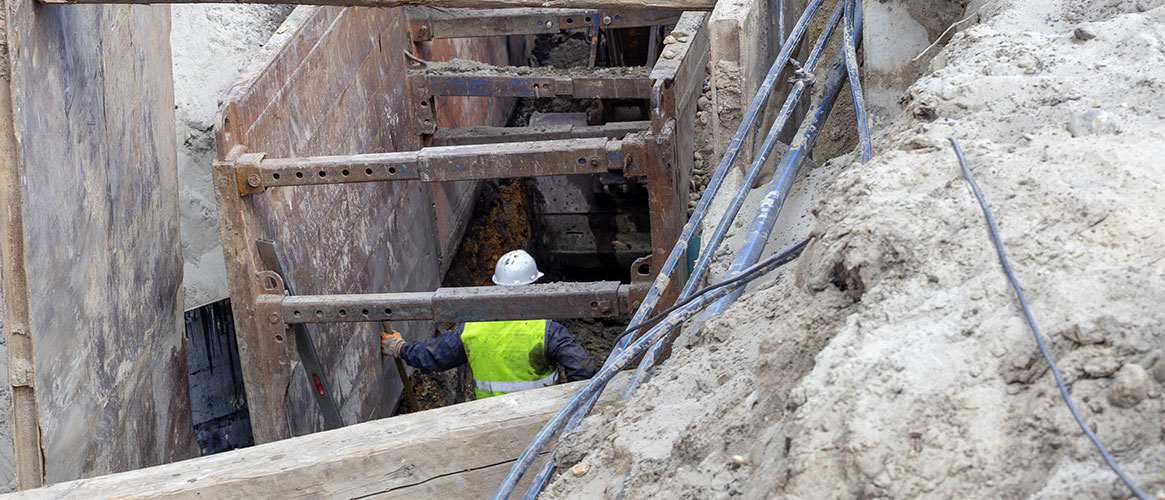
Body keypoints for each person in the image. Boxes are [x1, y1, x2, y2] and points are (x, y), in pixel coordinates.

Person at [382, 249, 597, 399]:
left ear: (495, 286)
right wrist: (569, 401)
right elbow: (583, 369)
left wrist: (399, 347)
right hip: (542, 419)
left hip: (490, 419)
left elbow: (434, 355)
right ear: (535, 286)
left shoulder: (473, 329)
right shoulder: (548, 331)